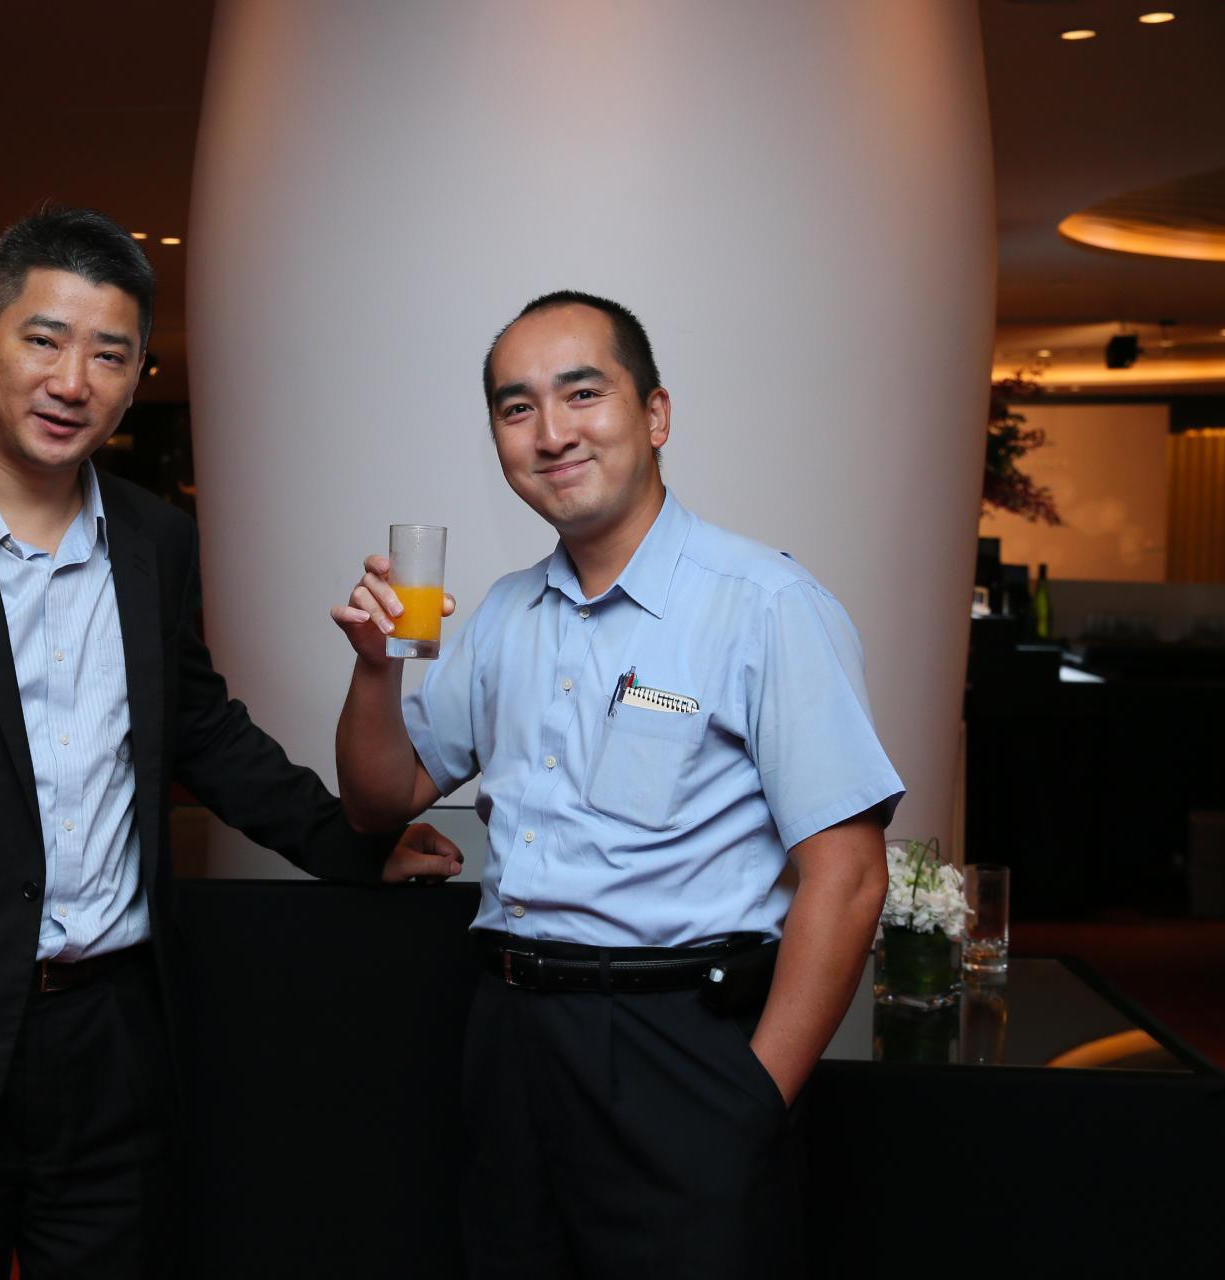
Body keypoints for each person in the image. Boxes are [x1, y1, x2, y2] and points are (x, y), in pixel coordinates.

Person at [0, 206, 462, 1280]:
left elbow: (202, 728)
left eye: (110, 355)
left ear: (136, 376)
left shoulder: (156, 539)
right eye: (44, 339)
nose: (73, 381)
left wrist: (355, 844)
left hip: (114, 1044)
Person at [331, 290, 903, 1278]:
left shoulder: (765, 605)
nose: (551, 432)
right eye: (517, 408)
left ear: (656, 414)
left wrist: (752, 1101)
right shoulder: (506, 614)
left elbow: (848, 878)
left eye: (583, 393)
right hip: (510, 1040)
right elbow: (381, 798)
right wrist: (375, 669)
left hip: (680, 1042)